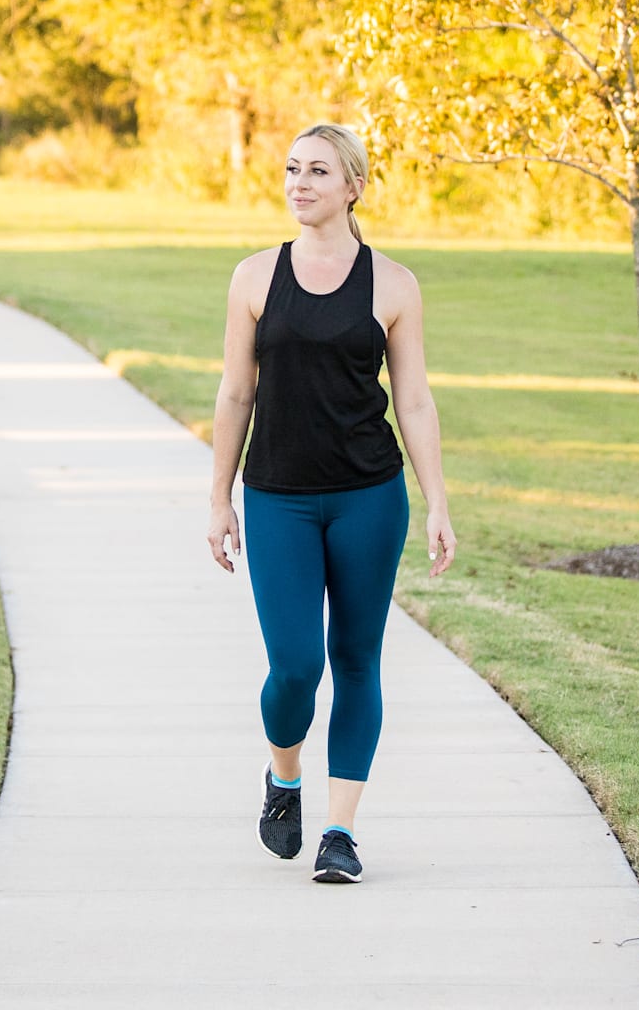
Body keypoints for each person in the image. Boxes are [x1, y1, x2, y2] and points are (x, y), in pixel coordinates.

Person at [206, 122, 456, 884]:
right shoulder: (254, 277)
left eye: (318, 171)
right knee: (294, 667)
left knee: (356, 658)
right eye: (291, 169)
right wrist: (218, 497)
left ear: (353, 186)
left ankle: (340, 833)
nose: (299, 183)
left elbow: (412, 400)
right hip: (279, 496)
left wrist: (437, 500)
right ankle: (284, 778)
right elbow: (237, 390)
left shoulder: (393, 284)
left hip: (368, 498)